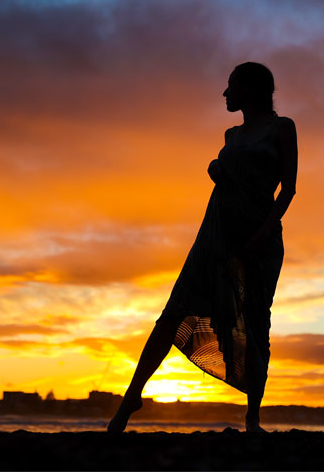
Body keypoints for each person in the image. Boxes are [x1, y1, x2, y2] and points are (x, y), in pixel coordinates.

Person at [107, 62, 298, 433]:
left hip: (259, 239)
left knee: (255, 322)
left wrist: (262, 234)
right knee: (174, 312)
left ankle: (253, 418)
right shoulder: (230, 135)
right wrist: (216, 168)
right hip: (216, 238)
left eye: (231, 86)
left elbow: (288, 189)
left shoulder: (282, 128)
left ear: (250, 89)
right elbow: (232, 175)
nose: (225, 94)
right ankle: (131, 396)